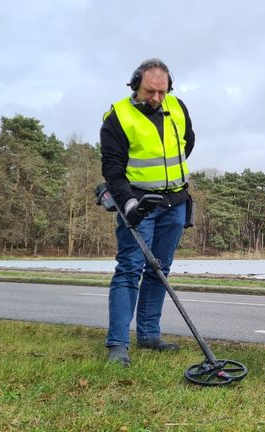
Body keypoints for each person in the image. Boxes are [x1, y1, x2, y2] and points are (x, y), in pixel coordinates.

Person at [100, 58, 195, 366]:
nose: (156, 98)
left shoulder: (177, 108)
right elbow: (112, 169)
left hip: (175, 204)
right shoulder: (118, 116)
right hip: (139, 204)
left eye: (162, 92)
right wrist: (128, 202)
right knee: (129, 269)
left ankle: (149, 336)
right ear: (135, 85)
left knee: (159, 270)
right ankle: (118, 344)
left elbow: (187, 143)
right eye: (150, 91)